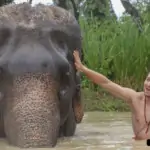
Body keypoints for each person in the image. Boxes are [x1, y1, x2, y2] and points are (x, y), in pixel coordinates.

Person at [73, 50, 150, 140]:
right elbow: (106, 83)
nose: (148, 85)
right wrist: (83, 69)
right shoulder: (135, 99)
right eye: (148, 80)